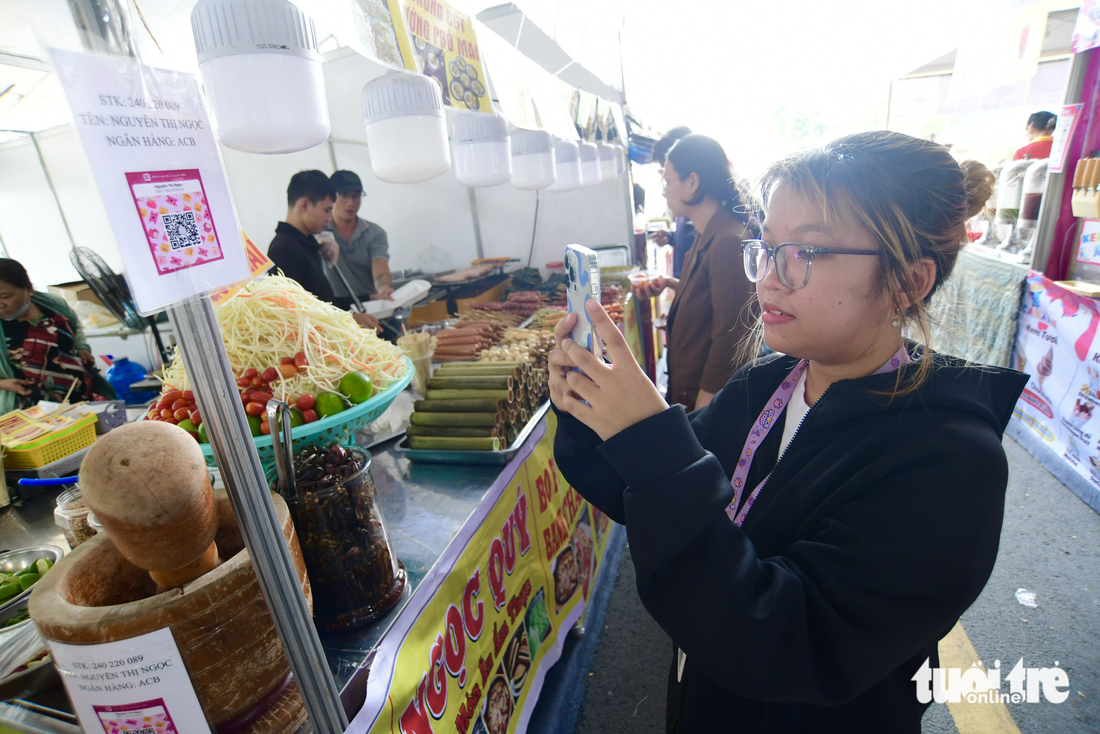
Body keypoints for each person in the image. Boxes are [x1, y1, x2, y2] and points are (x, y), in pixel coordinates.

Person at [548, 131, 1022, 733]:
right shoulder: (769, 382)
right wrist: (589, 407)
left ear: (908, 282)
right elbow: (644, 499)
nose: (769, 279)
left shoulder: (951, 461)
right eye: (767, 248)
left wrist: (651, 439)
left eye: (806, 254)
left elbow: (785, 640)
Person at [639, 134, 758, 410]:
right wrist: (671, 285)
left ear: (692, 182)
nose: (664, 190)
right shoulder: (706, 233)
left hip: (704, 398)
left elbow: (732, 335)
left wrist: (707, 401)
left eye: (668, 180)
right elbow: (709, 296)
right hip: (687, 389)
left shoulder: (728, 241)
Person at [268, 171, 379, 330]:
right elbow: (292, 315)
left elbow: (323, 301)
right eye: (327, 210)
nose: (329, 219)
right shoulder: (284, 250)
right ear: (304, 205)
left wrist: (366, 300)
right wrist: (348, 319)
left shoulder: (305, 244)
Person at [0, 259, 115, 412]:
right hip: (32, 412)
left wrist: (81, 347)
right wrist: (3, 384)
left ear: (29, 288)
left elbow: (75, 328)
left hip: (79, 400)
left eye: (5, 296)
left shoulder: (53, 305)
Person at [323, 170, 395, 310]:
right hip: (336, 312)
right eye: (344, 196)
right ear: (331, 198)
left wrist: (385, 291)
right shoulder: (320, 233)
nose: (351, 203)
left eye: (356, 196)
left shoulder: (374, 233)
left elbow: (379, 264)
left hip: (371, 308)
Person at [650, 126, 695, 278]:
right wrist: (671, 237)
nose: (664, 191)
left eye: (668, 179)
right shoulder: (685, 209)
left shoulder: (704, 223)